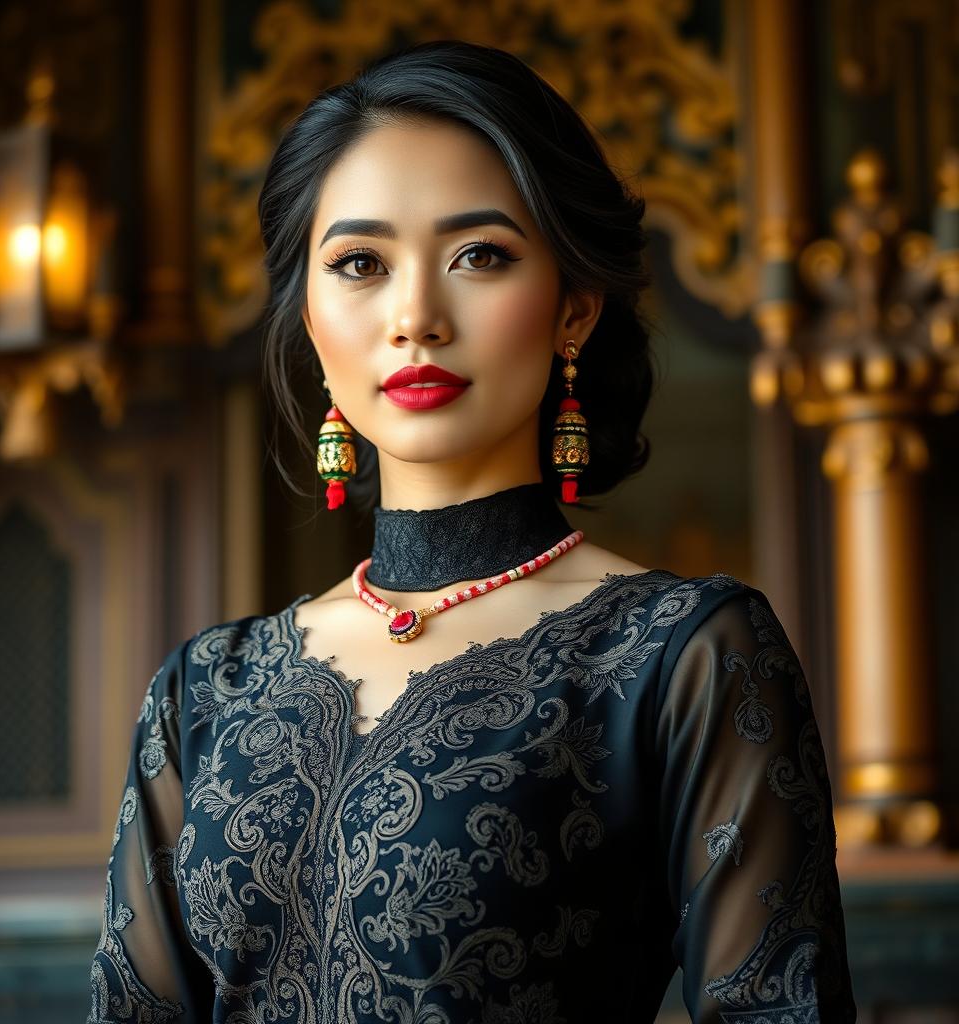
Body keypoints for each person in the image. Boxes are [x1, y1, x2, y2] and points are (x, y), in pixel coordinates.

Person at [88, 39, 857, 1024]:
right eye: (359, 263)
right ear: (312, 322)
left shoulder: (680, 657)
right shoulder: (205, 690)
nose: (415, 315)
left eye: (478, 255)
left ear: (572, 308)